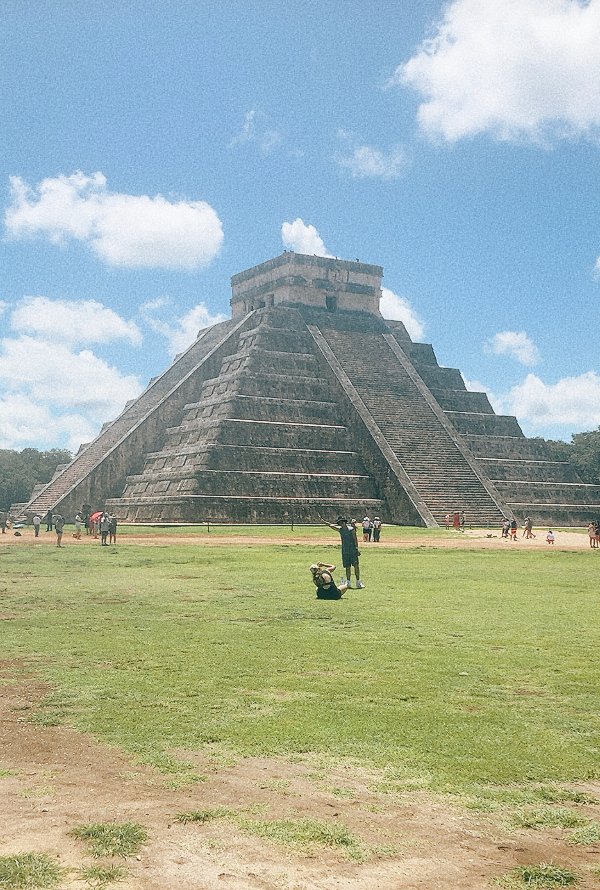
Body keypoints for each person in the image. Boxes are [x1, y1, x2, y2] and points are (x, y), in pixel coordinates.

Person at [319, 515, 365, 589]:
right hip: (345, 551)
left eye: (342, 522)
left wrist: (356, 549)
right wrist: (324, 522)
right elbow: (332, 526)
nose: (341, 524)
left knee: (356, 566)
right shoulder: (341, 530)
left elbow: (355, 540)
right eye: (340, 523)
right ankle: (348, 581)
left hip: (353, 551)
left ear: (344, 522)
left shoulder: (351, 529)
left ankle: (358, 581)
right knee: (347, 567)